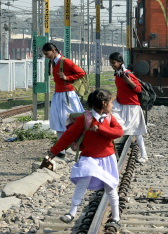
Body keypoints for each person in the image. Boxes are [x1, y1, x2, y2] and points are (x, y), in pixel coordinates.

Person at [46, 89, 123, 228]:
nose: (112, 104)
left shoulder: (110, 118)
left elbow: (119, 132)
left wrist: (100, 129)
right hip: (89, 158)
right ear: (104, 103)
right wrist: (54, 151)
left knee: (110, 187)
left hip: (107, 158)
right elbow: (67, 136)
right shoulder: (84, 119)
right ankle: (71, 212)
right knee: (83, 182)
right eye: (111, 101)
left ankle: (116, 217)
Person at [42, 42, 85, 158]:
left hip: (67, 96)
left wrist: (67, 78)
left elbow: (81, 73)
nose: (46, 56)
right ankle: (61, 150)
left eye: (47, 54)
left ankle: (82, 147)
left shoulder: (65, 61)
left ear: (52, 50)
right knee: (58, 122)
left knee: (71, 122)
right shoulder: (53, 62)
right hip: (58, 95)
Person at [108, 52, 149, 163]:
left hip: (132, 106)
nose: (112, 65)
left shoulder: (127, 74)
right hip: (121, 105)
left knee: (137, 131)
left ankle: (144, 155)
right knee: (112, 122)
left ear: (120, 62)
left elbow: (138, 89)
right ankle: (109, 153)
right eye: (111, 63)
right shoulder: (118, 73)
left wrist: (130, 82)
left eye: (113, 63)